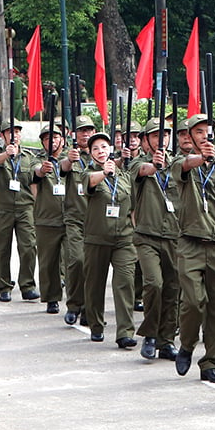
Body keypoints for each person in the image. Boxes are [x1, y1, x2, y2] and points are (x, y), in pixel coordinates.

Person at [172, 114, 215, 384]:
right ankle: (186, 344)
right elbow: (185, 165)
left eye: (207, 131)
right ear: (190, 135)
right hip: (191, 242)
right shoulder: (180, 162)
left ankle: (211, 361)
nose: (203, 135)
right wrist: (201, 159)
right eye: (197, 132)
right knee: (194, 301)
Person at [129, 119, 181, 362]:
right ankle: (150, 335)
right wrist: (153, 165)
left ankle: (167, 339)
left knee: (172, 288)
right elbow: (141, 172)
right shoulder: (138, 162)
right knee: (154, 284)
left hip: (173, 235)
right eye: (155, 136)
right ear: (145, 140)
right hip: (147, 236)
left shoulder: (177, 164)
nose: (162, 140)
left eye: (166, 135)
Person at [81, 132, 137, 347]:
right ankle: (96, 324)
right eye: (95, 148)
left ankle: (125, 332)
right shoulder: (88, 173)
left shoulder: (123, 176)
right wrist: (104, 172)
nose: (100, 151)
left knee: (125, 282)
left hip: (123, 238)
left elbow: (132, 206)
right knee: (95, 284)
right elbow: (90, 183)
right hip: (97, 238)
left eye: (104, 147)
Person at [0, 119, 39, 303]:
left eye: (17, 132)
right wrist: (5, 154)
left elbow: (35, 177)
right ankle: (3, 286)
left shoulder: (28, 156)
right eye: (10, 132)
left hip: (25, 207)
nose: (15, 135)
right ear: (3, 136)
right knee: (1, 248)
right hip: (2, 208)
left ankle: (27, 285)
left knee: (28, 246)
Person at [59, 115, 97, 325]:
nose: (85, 134)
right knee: (76, 261)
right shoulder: (70, 156)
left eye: (89, 130)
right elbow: (61, 168)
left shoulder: (101, 156)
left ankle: (89, 309)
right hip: (75, 218)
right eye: (82, 131)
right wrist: (69, 160)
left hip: (97, 220)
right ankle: (74, 304)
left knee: (93, 268)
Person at [31, 121, 68, 314]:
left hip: (71, 217)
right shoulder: (36, 159)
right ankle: (51, 297)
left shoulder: (72, 157)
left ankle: (77, 300)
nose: (51, 141)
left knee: (76, 259)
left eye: (54, 137)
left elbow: (66, 165)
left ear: (62, 138)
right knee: (48, 262)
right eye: (46, 139)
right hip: (47, 218)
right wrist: (42, 170)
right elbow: (35, 172)